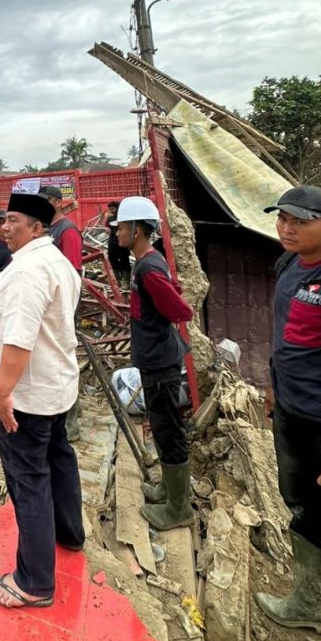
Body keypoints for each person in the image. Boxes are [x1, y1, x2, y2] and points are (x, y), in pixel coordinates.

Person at [255, 186, 321, 641]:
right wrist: (274, 388)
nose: (287, 227)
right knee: (307, 508)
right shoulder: (289, 265)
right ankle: (315, 605)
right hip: (294, 416)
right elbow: (285, 339)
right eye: (282, 219)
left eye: (300, 219)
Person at [0, 192, 84, 608]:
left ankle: (34, 582)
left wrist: (3, 393)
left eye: (16, 222)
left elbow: (19, 339)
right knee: (59, 459)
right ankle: (69, 534)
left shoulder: (27, 271)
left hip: (24, 396)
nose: (5, 228)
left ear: (38, 229)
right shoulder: (57, 261)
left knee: (28, 480)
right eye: (5, 220)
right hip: (54, 389)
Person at [112, 196, 194, 530]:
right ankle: (167, 489)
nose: (117, 232)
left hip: (161, 363)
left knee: (168, 430)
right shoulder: (145, 260)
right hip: (154, 359)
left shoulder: (147, 267)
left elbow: (180, 310)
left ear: (138, 230)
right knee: (161, 427)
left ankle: (179, 508)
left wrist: (169, 304)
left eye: (121, 227)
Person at [39, 184, 84, 442]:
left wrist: (66, 310)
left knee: (64, 361)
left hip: (63, 308)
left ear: (56, 201)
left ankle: (72, 422)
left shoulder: (67, 231)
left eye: (44, 200)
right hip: (48, 307)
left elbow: (72, 274)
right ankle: (57, 414)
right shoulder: (46, 231)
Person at [38, 185, 82, 273]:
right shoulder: (42, 227)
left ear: (58, 203)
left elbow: (73, 270)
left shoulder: (68, 230)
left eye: (46, 200)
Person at [105, 200, 131, 289]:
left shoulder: (123, 218)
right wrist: (106, 229)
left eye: (113, 209)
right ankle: (118, 281)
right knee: (112, 258)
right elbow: (107, 227)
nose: (111, 211)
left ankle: (126, 282)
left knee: (124, 259)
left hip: (123, 242)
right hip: (112, 241)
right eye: (110, 209)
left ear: (118, 208)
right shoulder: (110, 218)